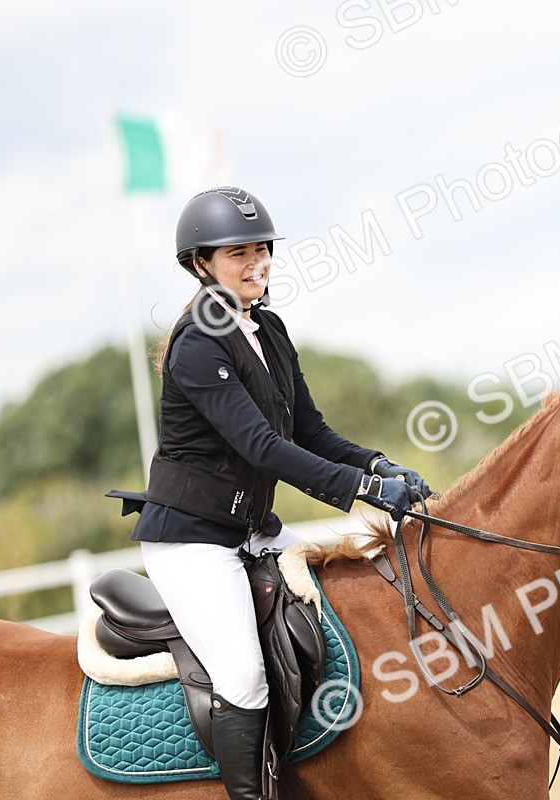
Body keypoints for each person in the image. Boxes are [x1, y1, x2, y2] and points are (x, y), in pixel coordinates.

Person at [123, 186, 431, 800]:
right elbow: (263, 447)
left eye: (263, 248)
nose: (257, 262)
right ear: (200, 263)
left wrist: (377, 462)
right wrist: (366, 490)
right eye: (238, 252)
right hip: (193, 543)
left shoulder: (269, 328)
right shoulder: (196, 344)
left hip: (255, 531)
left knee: (352, 621)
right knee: (242, 677)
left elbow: (310, 431)